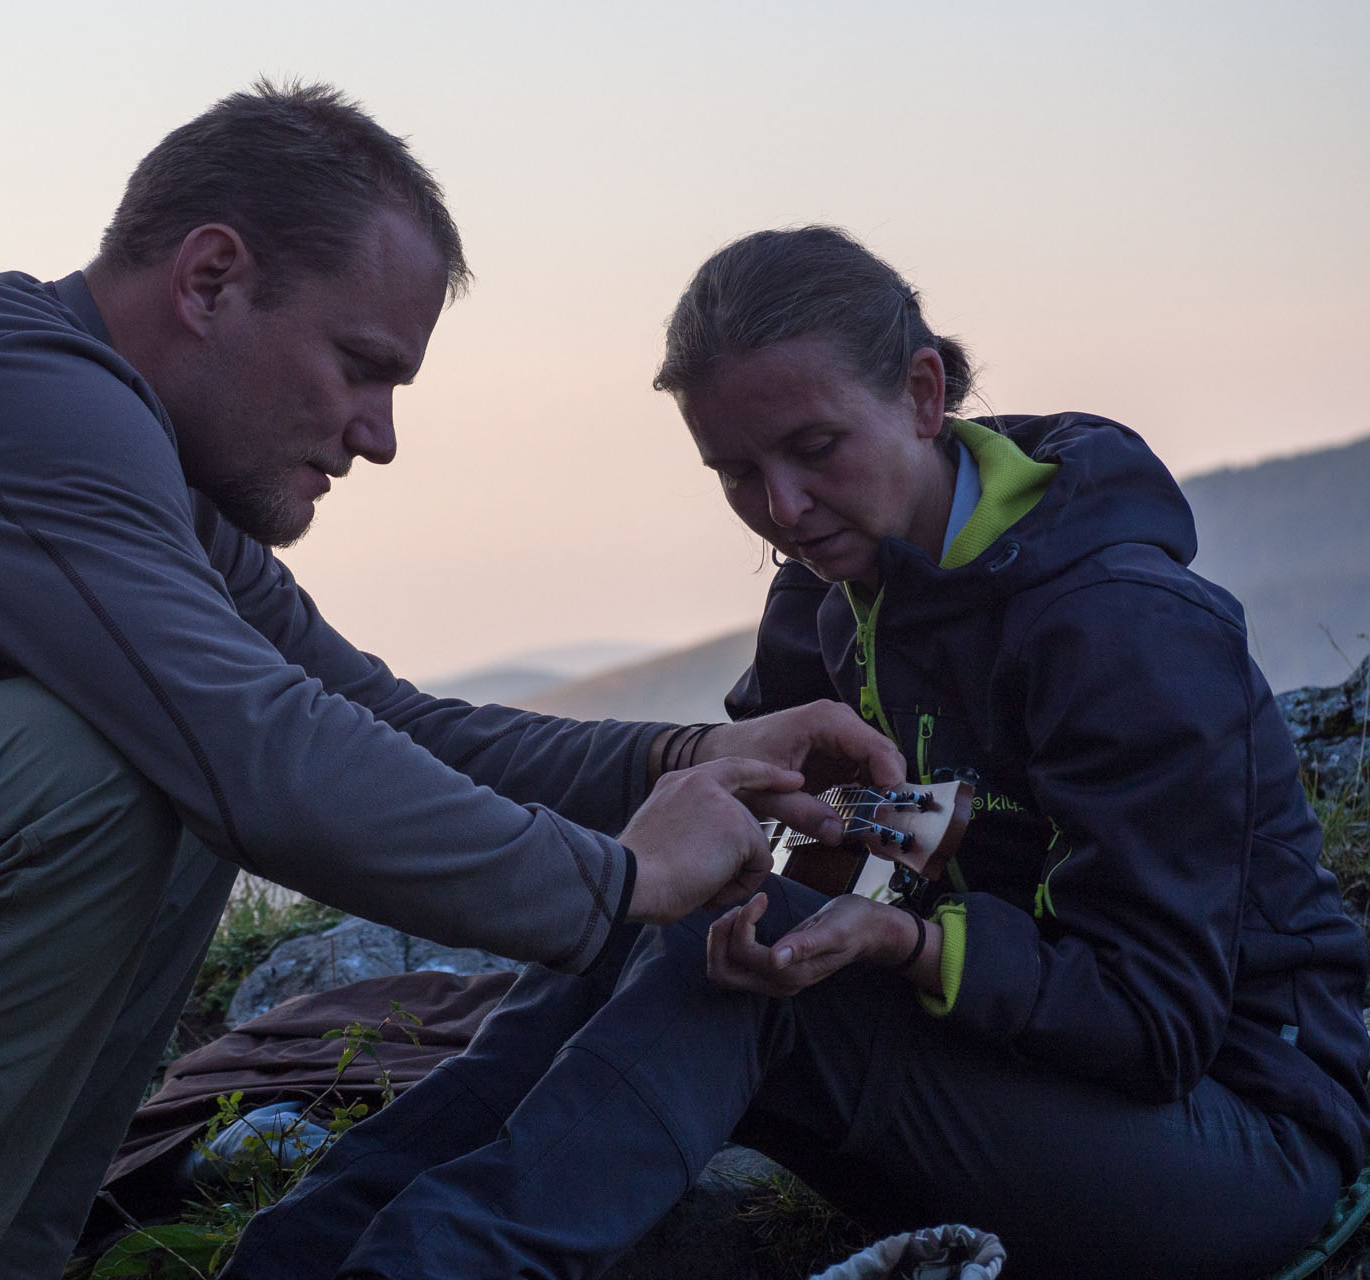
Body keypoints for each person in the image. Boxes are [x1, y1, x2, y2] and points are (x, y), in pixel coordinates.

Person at [0, 88, 894, 1279]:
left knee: (162, 754)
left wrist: (688, 760)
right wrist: (614, 885)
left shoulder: (131, 474)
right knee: (85, 766)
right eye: (359, 365)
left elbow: (373, 718)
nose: (380, 435)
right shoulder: (4, 393)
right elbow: (260, 751)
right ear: (210, 280)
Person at [220, 226, 1370, 1280]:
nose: (782, 507)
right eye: (735, 472)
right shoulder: (823, 597)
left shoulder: (1124, 631)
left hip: (1242, 1133)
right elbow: (847, 846)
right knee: (673, 918)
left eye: (816, 447)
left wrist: (906, 938)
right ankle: (298, 1255)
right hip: (1026, 1086)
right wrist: (741, 855)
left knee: (764, 951)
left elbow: (1154, 1019)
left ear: (923, 393)